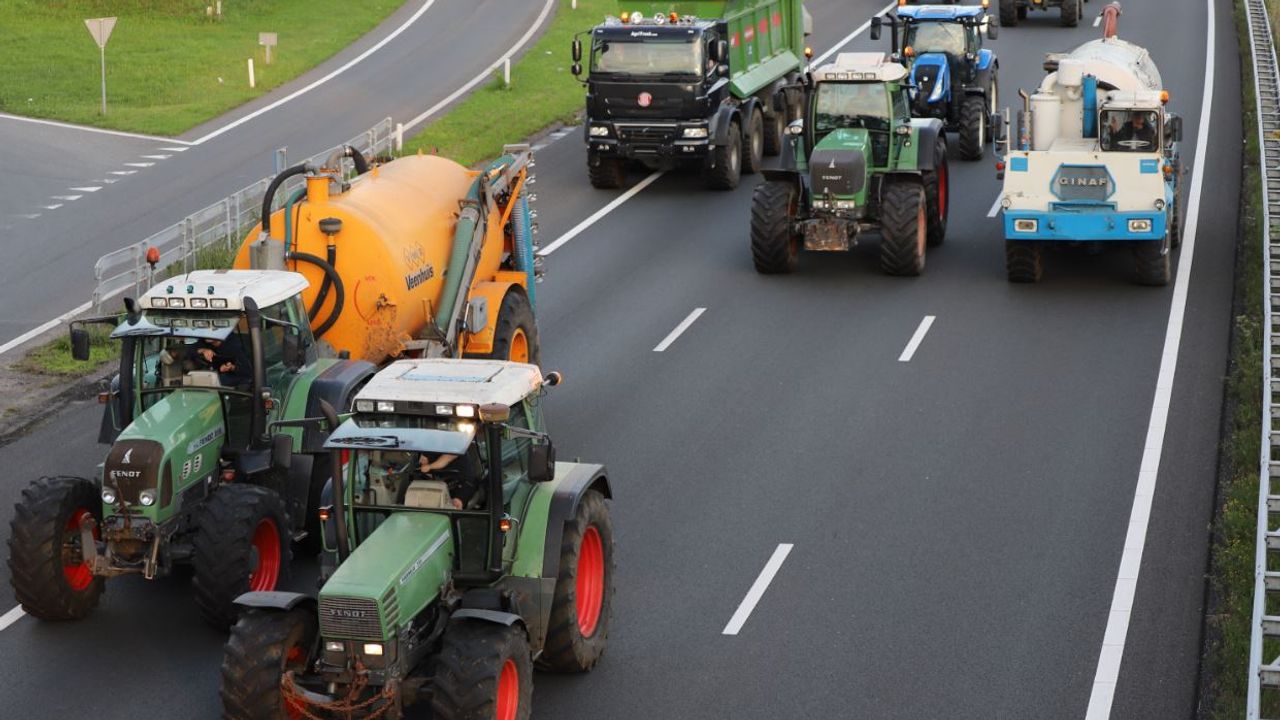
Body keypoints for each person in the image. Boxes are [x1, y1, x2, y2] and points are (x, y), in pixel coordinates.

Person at [187, 334, 252, 387]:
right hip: (212, 376)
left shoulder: (235, 345)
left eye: (212, 329)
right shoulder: (205, 341)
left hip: (237, 382)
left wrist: (232, 367)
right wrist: (203, 350)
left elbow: (248, 372)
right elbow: (189, 350)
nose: (207, 332)